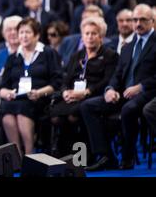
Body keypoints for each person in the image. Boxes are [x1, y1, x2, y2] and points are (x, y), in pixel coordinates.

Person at [80, 4, 156, 171]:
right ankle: (106, 155)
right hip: (123, 94)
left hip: (148, 94)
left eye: (142, 19)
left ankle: (127, 157)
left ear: (152, 21)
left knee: (128, 110)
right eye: (135, 20)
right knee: (87, 106)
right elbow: (118, 74)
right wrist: (110, 89)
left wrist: (141, 86)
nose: (137, 23)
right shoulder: (128, 46)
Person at [50, 17, 118, 156]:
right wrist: (65, 92)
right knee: (56, 116)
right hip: (73, 96)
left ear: (101, 36)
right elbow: (65, 79)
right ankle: (64, 153)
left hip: (93, 95)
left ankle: (83, 155)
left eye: (94, 33)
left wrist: (86, 92)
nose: (90, 37)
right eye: (86, 34)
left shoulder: (110, 55)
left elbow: (107, 81)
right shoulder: (77, 56)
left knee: (73, 116)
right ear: (82, 36)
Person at [0, 17, 62, 155]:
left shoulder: (48, 53)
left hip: (40, 99)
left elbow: (57, 82)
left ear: (37, 35)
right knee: (6, 108)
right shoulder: (13, 57)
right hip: (16, 98)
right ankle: (16, 155)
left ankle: (29, 153)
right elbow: (2, 87)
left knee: (22, 108)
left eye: (27, 32)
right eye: (21, 32)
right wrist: (7, 93)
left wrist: (39, 92)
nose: (23, 36)